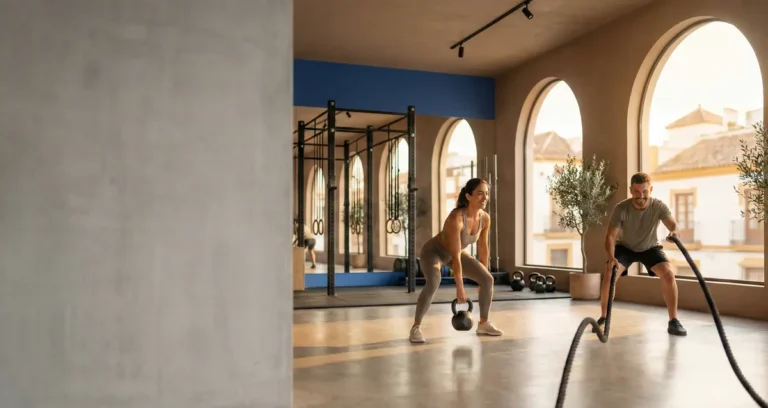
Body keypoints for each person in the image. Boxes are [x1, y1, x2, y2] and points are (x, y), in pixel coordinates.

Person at [409, 178, 503, 343]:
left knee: (488, 279)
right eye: (480, 193)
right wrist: (460, 288)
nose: (484, 198)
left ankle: (483, 323)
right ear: (468, 196)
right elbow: (455, 255)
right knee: (434, 281)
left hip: (457, 253)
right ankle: (416, 327)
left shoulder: (485, 218)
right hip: (434, 252)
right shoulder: (456, 218)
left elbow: (483, 248)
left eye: (486, 194)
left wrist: (483, 274)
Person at [596, 172, 687, 336]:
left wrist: (674, 232)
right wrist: (611, 257)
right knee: (609, 272)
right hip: (625, 247)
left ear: (650, 189)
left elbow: (674, 225)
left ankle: (673, 321)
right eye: (637, 192)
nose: (641, 196)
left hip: (650, 247)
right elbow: (610, 236)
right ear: (631, 190)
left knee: (668, 274)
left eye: (645, 192)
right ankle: (604, 317)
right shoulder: (621, 208)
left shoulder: (658, 206)